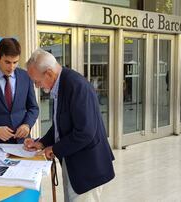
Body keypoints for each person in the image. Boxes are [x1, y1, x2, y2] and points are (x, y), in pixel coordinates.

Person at [24, 49, 115, 202]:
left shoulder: (76, 85)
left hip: (87, 167)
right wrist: (42, 143)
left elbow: (85, 132)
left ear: (49, 73)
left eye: (37, 81)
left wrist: (54, 149)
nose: (37, 86)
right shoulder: (60, 84)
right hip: (73, 161)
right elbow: (60, 124)